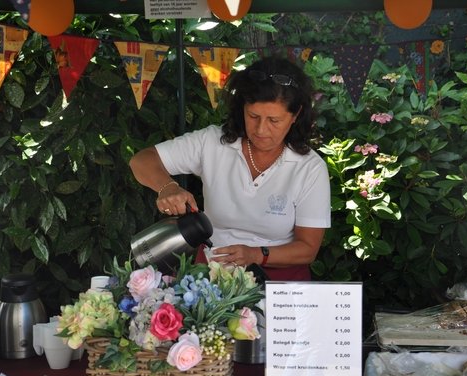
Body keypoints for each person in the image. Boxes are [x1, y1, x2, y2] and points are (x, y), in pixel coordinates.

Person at [129, 56, 331, 281]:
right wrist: (167, 187)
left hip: (279, 281)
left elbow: (307, 249)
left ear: (296, 116)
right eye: (253, 116)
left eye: (274, 121)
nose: (261, 129)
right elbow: (142, 160)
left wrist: (256, 254)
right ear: (241, 108)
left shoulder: (310, 168)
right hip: (211, 276)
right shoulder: (213, 142)